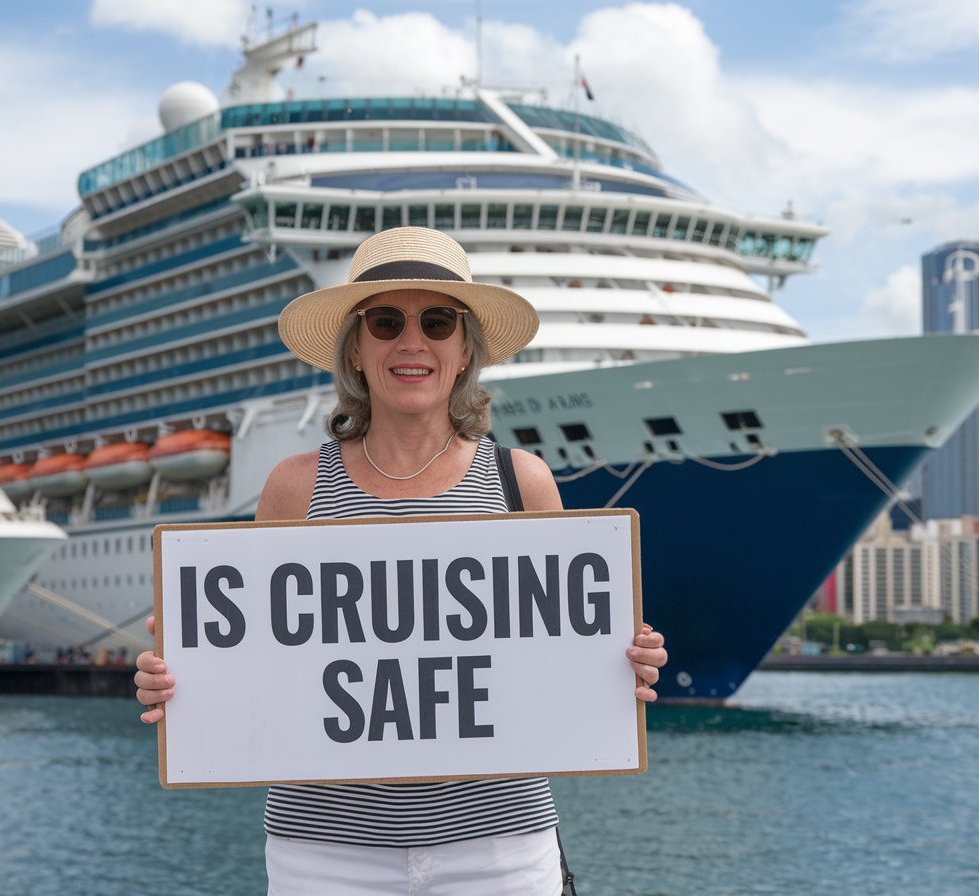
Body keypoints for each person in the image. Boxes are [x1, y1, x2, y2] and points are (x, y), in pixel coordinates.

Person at [135, 226, 668, 895]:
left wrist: (623, 663)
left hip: (498, 839)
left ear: (465, 346)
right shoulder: (295, 487)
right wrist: (181, 679)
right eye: (386, 322)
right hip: (323, 845)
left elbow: (563, 654)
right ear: (356, 348)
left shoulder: (521, 481)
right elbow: (256, 666)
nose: (411, 342)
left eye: (437, 321)